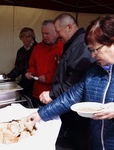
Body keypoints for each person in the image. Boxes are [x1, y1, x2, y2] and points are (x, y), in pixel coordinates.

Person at [28, 14, 114, 150]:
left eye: (95, 49)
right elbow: (70, 97)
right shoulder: (93, 72)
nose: (92, 55)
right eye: (90, 50)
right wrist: (40, 114)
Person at [39, 13, 95, 150]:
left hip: (78, 118)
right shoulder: (72, 43)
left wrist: (52, 94)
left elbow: (74, 83)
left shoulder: (82, 45)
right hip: (68, 111)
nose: (57, 35)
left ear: (69, 27)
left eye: (58, 31)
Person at [25, 20, 64, 108]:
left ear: (56, 33)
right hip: (38, 93)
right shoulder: (37, 47)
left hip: (54, 94)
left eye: (47, 33)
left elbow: (64, 71)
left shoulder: (63, 47)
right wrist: (30, 72)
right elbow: (32, 65)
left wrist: (48, 78)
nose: (44, 36)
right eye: (42, 33)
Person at [6, 27, 37, 99]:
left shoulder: (38, 48)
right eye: (23, 37)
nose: (25, 39)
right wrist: (8, 77)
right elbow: (18, 68)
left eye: (28, 36)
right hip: (25, 83)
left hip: (36, 83)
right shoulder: (20, 51)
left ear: (33, 37)